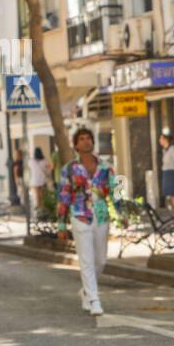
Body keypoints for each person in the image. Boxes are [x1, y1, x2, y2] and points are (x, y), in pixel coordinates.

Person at [56, 127, 116, 316]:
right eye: (82, 139)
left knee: (101, 260)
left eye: (89, 138)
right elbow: (63, 196)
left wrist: (122, 214)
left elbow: (117, 190)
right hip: (79, 214)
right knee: (87, 260)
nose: (86, 141)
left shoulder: (106, 166)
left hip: (101, 214)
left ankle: (86, 291)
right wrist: (61, 224)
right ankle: (94, 299)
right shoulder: (69, 169)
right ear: (76, 145)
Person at [159, 130, 174, 214]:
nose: (160, 140)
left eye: (161, 138)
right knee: (169, 195)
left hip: (172, 174)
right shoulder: (164, 150)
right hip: (166, 174)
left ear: (166, 139)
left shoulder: (173, 149)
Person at [31, 145, 52, 212]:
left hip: (35, 181)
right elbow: (50, 168)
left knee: (37, 197)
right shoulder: (44, 161)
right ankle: (44, 210)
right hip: (43, 180)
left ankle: (38, 211)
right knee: (43, 197)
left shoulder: (31, 161)